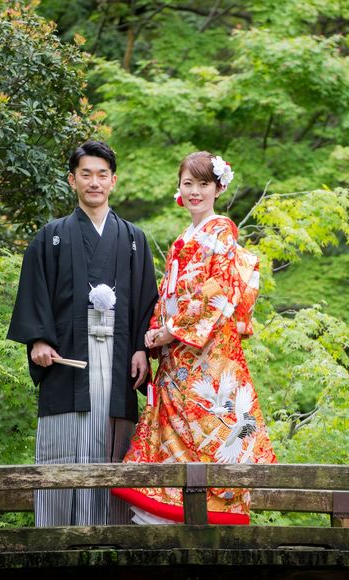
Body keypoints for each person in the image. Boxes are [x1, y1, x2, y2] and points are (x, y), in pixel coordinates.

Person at [112, 151, 276, 525]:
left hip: (207, 351)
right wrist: (157, 330)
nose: (195, 192)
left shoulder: (221, 230)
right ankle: (169, 513)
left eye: (203, 184)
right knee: (173, 426)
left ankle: (204, 514)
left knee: (207, 422)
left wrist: (171, 329)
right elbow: (170, 292)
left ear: (218, 188)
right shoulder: (184, 237)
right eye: (188, 184)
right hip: (177, 353)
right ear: (179, 189)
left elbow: (219, 288)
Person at [7, 140, 158, 527]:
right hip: (67, 357)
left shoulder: (133, 239)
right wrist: (39, 339)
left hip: (119, 356)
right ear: (72, 180)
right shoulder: (52, 236)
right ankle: (55, 538)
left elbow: (146, 299)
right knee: (63, 443)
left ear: (113, 181)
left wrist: (141, 348)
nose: (94, 182)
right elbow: (35, 289)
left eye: (102, 175)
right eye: (86, 174)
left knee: (113, 442)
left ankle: (111, 539)